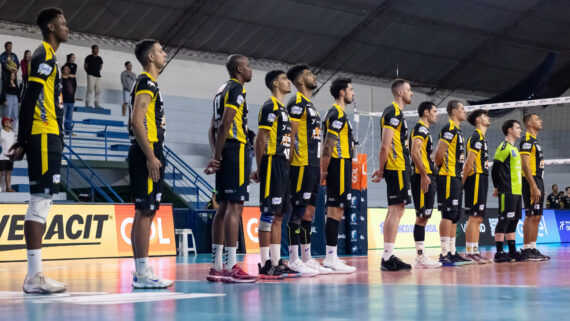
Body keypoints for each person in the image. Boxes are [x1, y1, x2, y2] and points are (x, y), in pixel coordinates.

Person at [7, 7, 69, 294]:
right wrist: (23, 139)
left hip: (50, 134)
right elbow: (29, 96)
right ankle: (34, 276)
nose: (66, 27)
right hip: (42, 134)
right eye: (62, 23)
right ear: (50, 27)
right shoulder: (43, 53)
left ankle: (36, 274)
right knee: (40, 202)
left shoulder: (52, 57)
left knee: (44, 201)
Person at [204, 54, 257, 283]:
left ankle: (216, 265)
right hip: (235, 149)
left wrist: (216, 154)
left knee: (223, 207)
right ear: (238, 69)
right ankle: (232, 266)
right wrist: (218, 156)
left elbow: (212, 128)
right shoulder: (236, 89)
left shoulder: (220, 90)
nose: (250, 69)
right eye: (247, 65)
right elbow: (226, 123)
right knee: (235, 207)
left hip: (225, 149)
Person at [127, 39, 172, 288]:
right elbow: (137, 120)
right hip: (147, 151)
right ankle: (142, 273)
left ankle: (141, 269)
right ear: (150, 57)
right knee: (144, 211)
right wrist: (151, 156)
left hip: (152, 150)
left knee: (147, 211)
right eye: (161, 51)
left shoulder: (150, 83)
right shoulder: (145, 81)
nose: (164, 54)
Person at [251, 70, 300, 279]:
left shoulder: (284, 110)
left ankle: (276, 260)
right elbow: (260, 139)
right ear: (275, 83)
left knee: (279, 215)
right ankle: (264, 263)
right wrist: (261, 168)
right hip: (272, 161)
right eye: (284, 79)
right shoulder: (270, 106)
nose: (288, 82)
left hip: (283, 164)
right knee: (269, 214)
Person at [284, 64, 330, 275]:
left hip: (313, 164)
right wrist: (290, 161)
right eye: (310, 74)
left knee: (309, 212)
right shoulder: (296, 102)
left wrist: (320, 166)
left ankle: (307, 257)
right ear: (301, 80)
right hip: (300, 163)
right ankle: (293, 259)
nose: (314, 77)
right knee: (297, 212)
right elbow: (291, 134)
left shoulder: (311, 104)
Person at [371, 79, 414, 271]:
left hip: (399, 166)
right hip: (396, 166)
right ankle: (387, 258)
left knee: (396, 209)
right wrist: (381, 169)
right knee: (396, 210)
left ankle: (388, 255)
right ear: (400, 93)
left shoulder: (396, 113)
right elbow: (385, 144)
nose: (411, 93)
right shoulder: (393, 112)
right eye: (409, 90)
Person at [320, 77, 356, 273]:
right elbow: (328, 145)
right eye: (350, 89)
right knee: (334, 211)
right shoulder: (336, 114)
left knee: (338, 211)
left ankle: (332, 256)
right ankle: (330, 258)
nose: (352, 93)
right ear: (342, 92)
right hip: (338, 165)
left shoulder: (340, 114)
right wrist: (324, 171)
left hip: (344, 165)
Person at [434, 100, 472, 266]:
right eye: (462, 109)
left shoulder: (458, 131)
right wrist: (445, 170)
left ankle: (452, 251)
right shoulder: (449, 128)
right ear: (454, 111)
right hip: (448, 176)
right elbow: (438, 154)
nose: (465, 112)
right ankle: (444, 253)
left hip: (456, 176)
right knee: (448, 213)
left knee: (455, 215)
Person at [409, 101, 442, 269]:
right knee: (421, 216)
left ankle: (421, 255)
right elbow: (414, 152)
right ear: (427, 112)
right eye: (435, 111)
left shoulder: (425, 130)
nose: (437, 114)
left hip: (428, 175)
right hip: (422, 176)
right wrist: (423, 174)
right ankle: (420, 256)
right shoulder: (420, 129)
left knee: (425, 216)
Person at [492, 120, 526, 263]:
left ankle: (512, 251)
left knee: (514, 221)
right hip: (507, 190)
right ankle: (499, 252)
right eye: (518, 128)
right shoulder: (504, 147)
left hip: (517, 191)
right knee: (504, 220)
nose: (520, 130)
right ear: (510, 130)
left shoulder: (515, 149)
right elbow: (495, 168)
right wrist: (497, 186)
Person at [462, 109, 492, 264]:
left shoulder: (482, 137)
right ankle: (470, 252)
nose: (488, 117)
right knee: (474, 217)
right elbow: (469, 162)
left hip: (483, 177)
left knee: (479, 217)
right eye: (485, 116)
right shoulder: (476, 136)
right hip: (475, 177)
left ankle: (475, 250)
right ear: (479, 120)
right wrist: (463, 181)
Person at [520, 113, 550, 261]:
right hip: (530, 180)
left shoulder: (535, 141)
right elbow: (524, 165)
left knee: (537, 216)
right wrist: (533, 185)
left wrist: (538, 185)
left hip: (538, 180)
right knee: (531, 215)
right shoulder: (526, 140)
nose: (541, 120)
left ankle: (532, 248)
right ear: (530, 123)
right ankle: (526, 250)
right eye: (538, 119)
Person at [0, 118, 15, 192]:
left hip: (10, 157)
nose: (10, 123)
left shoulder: (12, 133)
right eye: (9, 122)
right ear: (4, 123)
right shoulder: (1, 132)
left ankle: (8, 188)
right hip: (1, 156)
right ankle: (0, 188)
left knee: (8, 173)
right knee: (0, 172)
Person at [61, 64, 76, 135]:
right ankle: (59, 130)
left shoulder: (72, 78)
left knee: (69, 117)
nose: (67, 70)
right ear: (62, 71)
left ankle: (68, 131)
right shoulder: (60, 79)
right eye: (65, 69)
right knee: (60, 116)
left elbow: (74, 87)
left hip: (71, 101)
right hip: (63, 101)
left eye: (68, 69)